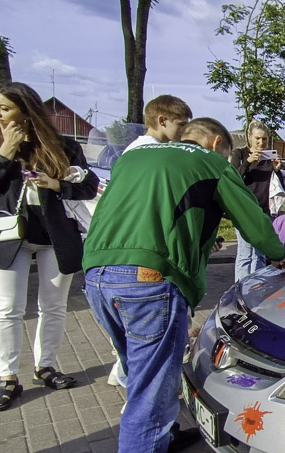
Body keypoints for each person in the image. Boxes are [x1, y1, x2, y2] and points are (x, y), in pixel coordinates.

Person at [83, 117, 285, 453]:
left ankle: (157, 443)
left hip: (97, 276)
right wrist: (278, 254)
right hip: (149, 280)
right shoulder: (209, 162)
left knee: (138, 376)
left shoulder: (134, 156)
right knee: (153, 395)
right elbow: (252, 220)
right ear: (216, 143)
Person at [0, 82, 99, 412]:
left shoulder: (64, 145)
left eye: (4, 108)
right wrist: (7, 149)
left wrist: (57, 184)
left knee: (53, 305)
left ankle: (46, 366)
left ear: (26, 111)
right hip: (7, 235)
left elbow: (88, 186)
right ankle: (7, 377)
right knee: (7, 308)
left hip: (55, 234)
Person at [106, 95, 194, 388]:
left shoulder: (134, 152)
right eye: (181, 124)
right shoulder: (152, 153)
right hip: (145, 256)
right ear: (162, 120)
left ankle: (123, 374)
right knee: (150, 343)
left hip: (123, 254)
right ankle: (140, 398)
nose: (183, 131)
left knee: (136, 338)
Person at [229, 119, 282, 281]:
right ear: (249, 137)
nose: (261, 142)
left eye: (264, 139)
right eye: (257, 138)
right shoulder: (240, 154)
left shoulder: (269, 157)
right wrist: (248, 162)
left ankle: (256, 288)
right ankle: (241, 287)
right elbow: (232, 178)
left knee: (259, 254)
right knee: (246, 253)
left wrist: (277, 170)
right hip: (244, 210)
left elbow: (277, 186)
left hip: (264, 210)